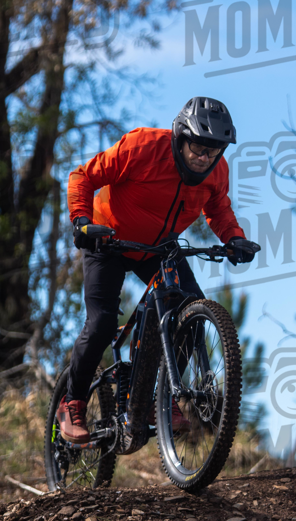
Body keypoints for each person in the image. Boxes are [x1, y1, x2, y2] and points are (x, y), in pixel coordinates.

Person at [57, 96, 260, 443]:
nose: (204, 157)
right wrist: (82, 222)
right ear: (180, 137)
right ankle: (72, 401)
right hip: (108, 238)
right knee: (102, 320)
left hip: (158, 246)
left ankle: (153, 399)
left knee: (189, 308)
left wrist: (235, 238)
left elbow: (218, 208)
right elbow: (83, 176)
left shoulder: (216, 171)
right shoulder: (143, 147)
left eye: (214, 151)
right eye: (197, 146)